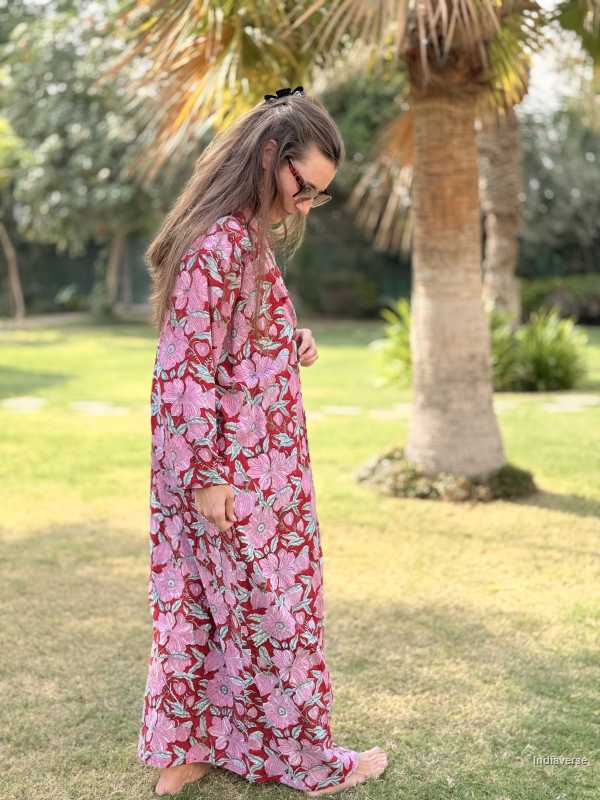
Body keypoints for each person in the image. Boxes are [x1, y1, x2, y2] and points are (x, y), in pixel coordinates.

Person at [137, 85, 388, 796]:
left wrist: (290, 342)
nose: (306, 204)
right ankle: (305, 762)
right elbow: (181, 371)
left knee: (204, 604)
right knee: (268, 611)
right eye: (305, 186)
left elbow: (232, 346)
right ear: (272, 158)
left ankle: (189, 749)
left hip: (253, 459)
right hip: (228, 467)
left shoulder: (246, 240)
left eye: (318, 196)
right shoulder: (220, 242)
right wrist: (207, 476)